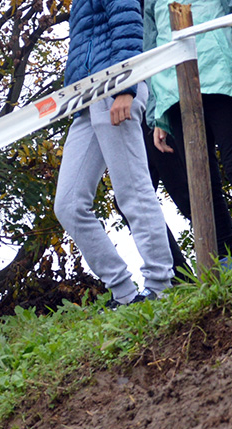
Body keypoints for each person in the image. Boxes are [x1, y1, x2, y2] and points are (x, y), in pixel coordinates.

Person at [52, 0, 174, 309]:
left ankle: (160, 286)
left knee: (132, 190)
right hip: (87, 101)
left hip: (116, 89)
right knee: (67, 204)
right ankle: (124, 293)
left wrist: (126, 88)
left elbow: (128, 27)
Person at [144, 0, 232, 263]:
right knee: (201, 183)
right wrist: (156, 114)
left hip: (221, 79)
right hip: (174, 94)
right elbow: (151, 49)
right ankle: (228, 265)